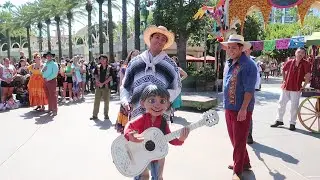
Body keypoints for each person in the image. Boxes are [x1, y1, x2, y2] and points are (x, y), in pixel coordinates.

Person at [124, 84, 189, 180]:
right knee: (143, 177)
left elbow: (169, 138)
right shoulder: (142, 119)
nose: (157, 105)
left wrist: (180, 140)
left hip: (156, 157)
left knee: (158, 177)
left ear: (167, 105)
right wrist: (129, 135)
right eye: (152, 100)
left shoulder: (163, 122)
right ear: (142, 103)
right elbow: (129, 126)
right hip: (140, 154)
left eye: (162, 101)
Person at [120, 25, 181, 121]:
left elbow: (176, 88)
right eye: (157, 37)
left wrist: (161, 101)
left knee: (159, 135)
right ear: (150, 38)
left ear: (165, 43)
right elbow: (125, 86)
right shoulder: (135, 62)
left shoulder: (170, 65)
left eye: (163, 39)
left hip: (160, 115)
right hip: (137, 114)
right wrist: (125, 100)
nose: (160, 41)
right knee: (136, 136)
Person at [221, 34, 257, 180]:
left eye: (234, 48)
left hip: (241, 109)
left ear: (241, 48)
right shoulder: (231, 63)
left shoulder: (249, 65)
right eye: (229, 47)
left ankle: (238, 171)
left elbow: (249, 90)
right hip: (229, 107)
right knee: (235, 139)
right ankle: (245, 163)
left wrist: (243, 109)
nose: (230, 50)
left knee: (240, 140)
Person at [271, 47, 311, 131]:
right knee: (281, 103)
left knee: (294, 106)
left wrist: (303, 86)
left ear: (304, 54)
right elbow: (283, 70)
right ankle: (279, 120)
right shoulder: (289, 61)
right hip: (286, 87)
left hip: (296, 88)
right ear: (295, 53)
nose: (300, 54)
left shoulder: (306, 63)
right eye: (299, 52)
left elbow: (308, 76)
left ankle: (292, 123)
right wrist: (284, 80)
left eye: (302, 53)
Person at [116, 49, 140, 133]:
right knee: (126, 115)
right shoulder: (124, 68)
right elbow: (122, 85)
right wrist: (122, 97)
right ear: (130, 56)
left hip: (137, 96)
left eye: (137, 55)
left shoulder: (141, 68)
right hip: (127, 95)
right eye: (133, 55)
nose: (135, 56)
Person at [90, 54, 114, 120]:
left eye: (104, 59)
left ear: (106, 59)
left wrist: (103, 83)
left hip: (106, 87)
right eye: (101, 59)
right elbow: (95, 75)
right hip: (98, 87)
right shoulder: (97, 67)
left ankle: (106, 115)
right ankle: (94, 115)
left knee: (106, 101)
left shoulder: (110, 67)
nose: (102, 60)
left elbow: (110, 77)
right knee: (96, 101)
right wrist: (99, 82)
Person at [42, 51, 59, 116]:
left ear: (52, 57)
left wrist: (47, 78)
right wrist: (42, 71)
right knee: (48, 95)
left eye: (50, 56)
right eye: (47, 56)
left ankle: (55, 109)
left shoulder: (54, 64)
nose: (48, 57)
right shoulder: (45, 64)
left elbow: (55, 74)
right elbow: (42, 72)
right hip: (45, 81)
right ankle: (50, 108)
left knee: (53, 95)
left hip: (51, 81)